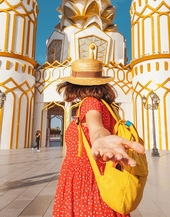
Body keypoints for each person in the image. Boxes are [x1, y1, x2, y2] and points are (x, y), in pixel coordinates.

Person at [53, 59, 145, 216]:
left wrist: (100, 138)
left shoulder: (90, 103)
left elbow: (96, 126)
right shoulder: (106, 106)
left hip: (86, 180)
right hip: (101, 176)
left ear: (74, 86)